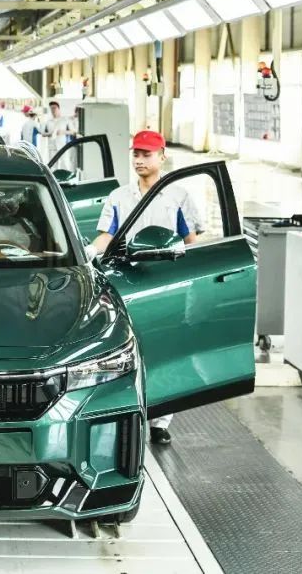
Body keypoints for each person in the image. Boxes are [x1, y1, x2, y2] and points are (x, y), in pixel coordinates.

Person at [84, 130, 201, 446]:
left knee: (166, 348)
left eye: (146, 154)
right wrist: (91, 250)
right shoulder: (119, 197)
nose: (139, 160)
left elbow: (191, 242)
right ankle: (127, 414)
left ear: (162, 156)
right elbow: (106, 236)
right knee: (129, 348)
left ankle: (160, 420)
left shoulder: (178, 197)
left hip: (168, 281)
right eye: (135, 153)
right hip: (129, 280)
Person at [42, 100, 77, 165]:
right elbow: (43, 133)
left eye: (54, 108)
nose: (53, 110)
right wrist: (50, 133)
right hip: (52, 147)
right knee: (52, 166)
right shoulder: (48, 122)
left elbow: (74, 132)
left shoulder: (65, 119)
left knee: (65, 164)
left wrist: (63, 132)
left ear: (58, 108)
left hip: (62, 147)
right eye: (51, 108)